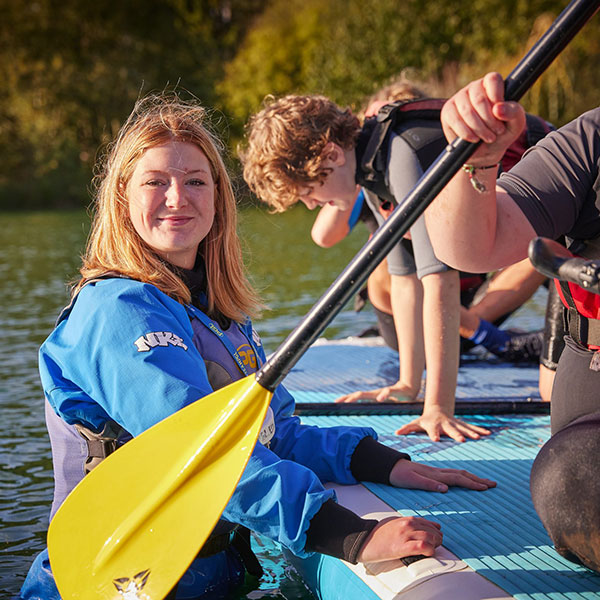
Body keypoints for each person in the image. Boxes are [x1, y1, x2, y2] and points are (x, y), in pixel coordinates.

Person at [19, 94, 497, 599]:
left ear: (219, 198)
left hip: (210, 576)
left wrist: (381, 462)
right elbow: (202, 454)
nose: (178, 197)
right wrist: (349, 535)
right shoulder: (117, 311)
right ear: (122, 198)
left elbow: (273, 436)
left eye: (196, 181)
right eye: (155, 182)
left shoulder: (218, 314)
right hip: (110, 584)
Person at [241, 88, 550, 442]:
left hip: (579, 219)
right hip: (538, 227)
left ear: (332, 155)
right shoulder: (371, 166)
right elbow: (406, 280)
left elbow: (440, 279)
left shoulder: (402, 152)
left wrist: (437, 407)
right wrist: (407, 385)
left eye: (310, 191)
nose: (313, 205)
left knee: (556, 396)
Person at [425, 71, 600, 573]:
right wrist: (477, 159)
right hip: (592, 395)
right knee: (576, 484)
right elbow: (471, 248)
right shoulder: (592, 140)